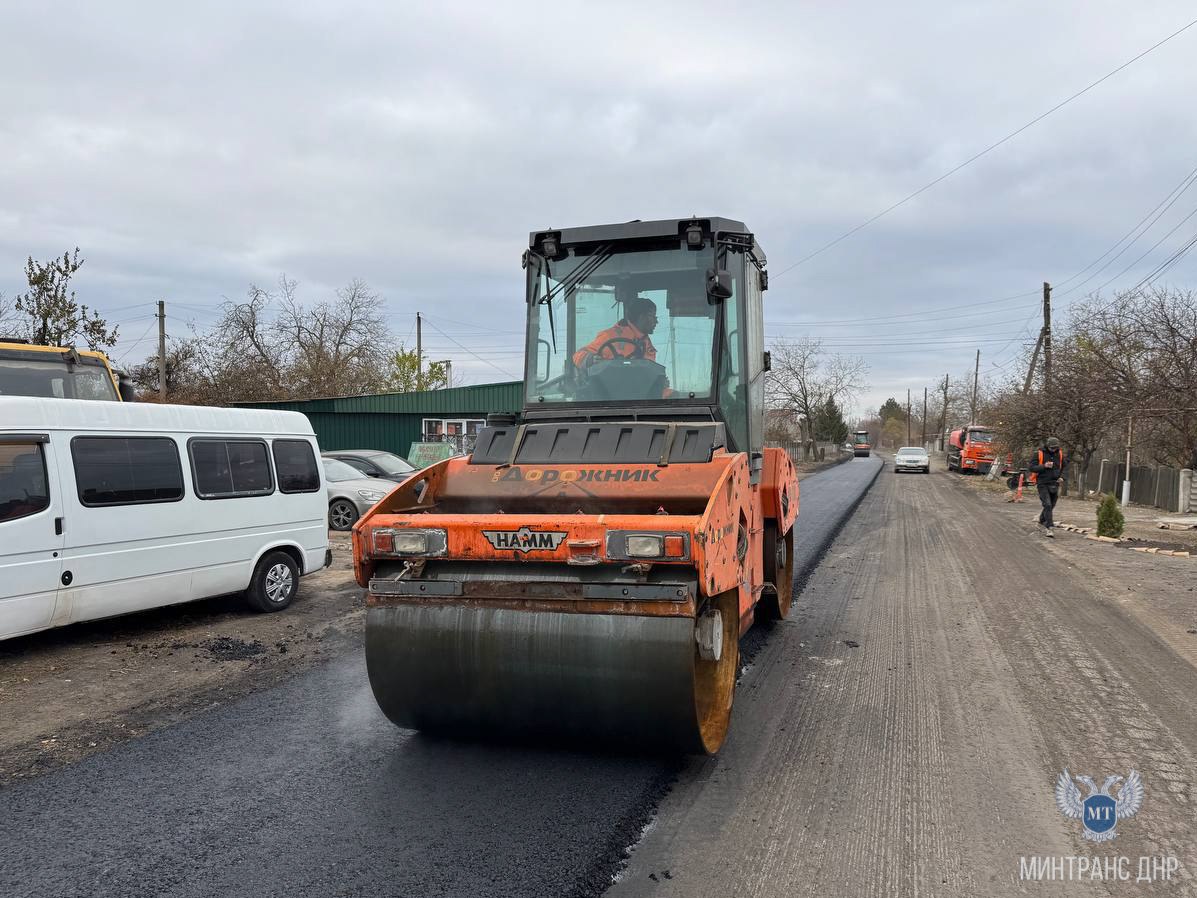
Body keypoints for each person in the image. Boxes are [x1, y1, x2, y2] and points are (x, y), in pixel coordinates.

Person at [572, 297, 659, 368]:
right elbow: (579, 355)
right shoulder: (610, 336)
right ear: (641, 317)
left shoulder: (646, 343)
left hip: (640, 388)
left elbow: (649, 376)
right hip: (608, 388)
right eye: (652, 316)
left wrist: (659, 383)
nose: (656, 321)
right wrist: (591, 359)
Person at [1030, 436, 1066, 536]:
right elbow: (1032, 468)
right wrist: (1044, 466)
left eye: (1055, 448)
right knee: (1047, 504)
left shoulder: (1060, 454)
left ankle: (1041, 521)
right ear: (1047, 446)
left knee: (1051, 505)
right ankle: (1049, 527)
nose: (1054, 450)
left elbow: (1065, 467)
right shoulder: (1039, 453)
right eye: (1052, 448)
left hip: (1055, 483)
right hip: (1042, 483)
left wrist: (1062, 477)